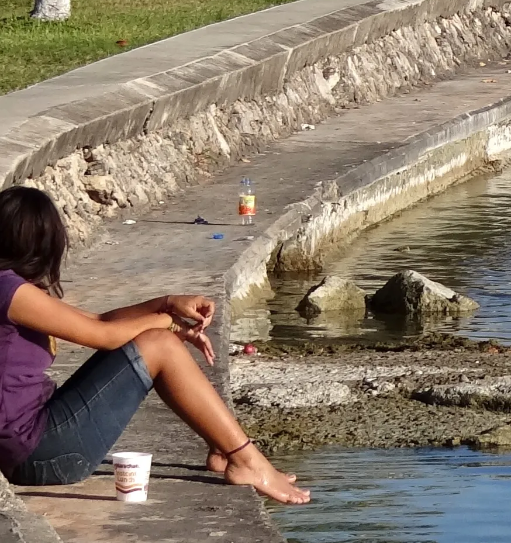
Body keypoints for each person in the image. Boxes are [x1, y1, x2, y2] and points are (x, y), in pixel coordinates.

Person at [0, 186, 308, 503]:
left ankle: (223, 447)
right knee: (159, 344)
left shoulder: (8, 288)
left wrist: (167, 303)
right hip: (38, 455)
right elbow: (104, 338)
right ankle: (247, 461)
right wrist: (166, 323)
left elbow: (100, 320)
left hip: (35, 446)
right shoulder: (9, 290)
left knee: (157, 339)